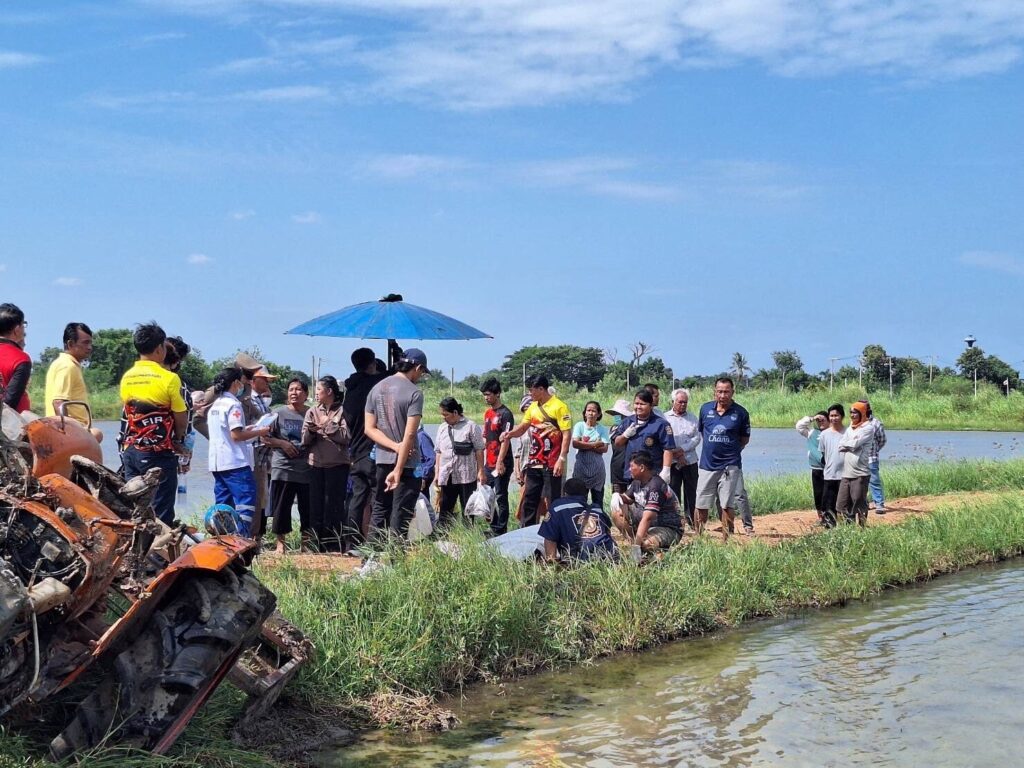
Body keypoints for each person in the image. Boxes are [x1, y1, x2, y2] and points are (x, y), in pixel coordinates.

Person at [119, 322, 188, 525]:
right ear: (159, 349)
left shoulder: (127, 378)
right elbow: (181, 416)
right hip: (158, 454)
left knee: (136, 508)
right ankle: (158, 557)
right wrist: (178, 438)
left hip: (131, 450)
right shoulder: (169, 378)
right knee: (162, 513)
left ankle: (137, 553)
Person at [365, 348, 428, 540]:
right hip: (407, 464)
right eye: (422, 372)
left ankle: (370, 558)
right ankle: (394, 560)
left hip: (382, 459)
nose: (420, 376)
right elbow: (410, 434)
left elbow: (369, 429)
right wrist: (399, 468)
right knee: (401, 513)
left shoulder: (376, 388)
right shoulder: (414, 393)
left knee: (379, 508)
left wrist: (393, 446)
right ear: (417, 367)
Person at [500, 374, 572, 527]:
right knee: (529, 500)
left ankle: (555, 534)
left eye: (532, 390)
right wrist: (510, 434)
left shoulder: (559, 406)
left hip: (552, 463)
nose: (530, 394)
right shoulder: (533, 407)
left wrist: (562, 458)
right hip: (534, 463)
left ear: (541, 389)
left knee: (553, 501)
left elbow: (566, 434)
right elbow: (523, 427)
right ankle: (528, 534)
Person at [206, 367, 271, 538]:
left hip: (218, 463)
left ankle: (222, 539)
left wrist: (248, 429)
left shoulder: (215, 404)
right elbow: (236, 435)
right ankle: (241, 538)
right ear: (235, 383)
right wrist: (259, 432)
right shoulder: (233, 404)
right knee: (246, 501)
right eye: (241, 382)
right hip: (235, 462)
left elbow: (230, 431)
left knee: (223, 504)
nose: (243, 386)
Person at [694, 377, 751, 540]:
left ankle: (726, 539)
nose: (723, 395)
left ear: (733, 392)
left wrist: (729, 451)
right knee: (701, 504)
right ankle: (699, 538)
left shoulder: (741, 413)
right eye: (719, 391)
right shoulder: (705, 409)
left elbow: (744, 440)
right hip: (707, 465)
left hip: (729, 466)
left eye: (726, 391)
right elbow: (703, 433)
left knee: (726, 504)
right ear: (714, 392)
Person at [301, 375, 351, 553]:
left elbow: (346, 437)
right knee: (315, 505)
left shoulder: (343, 411)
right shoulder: (312, 411)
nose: (315, 394)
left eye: (318, 390)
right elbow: (304, 439)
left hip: (338, 465)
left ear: (329, 391)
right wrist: (312, 432)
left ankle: (334, 544)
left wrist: (328, 425)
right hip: (315, 464)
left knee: (335, 506)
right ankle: (315, 544)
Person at [343, 347, 387, 546]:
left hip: (356, 452)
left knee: (357, 499)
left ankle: (351, 543)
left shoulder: (350, 388)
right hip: (373, 451)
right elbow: (391, 376)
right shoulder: (374, 384)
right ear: (373, 364)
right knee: (379, 497)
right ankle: (376, 541)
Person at [266, 378, 312, 553]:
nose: (294, 392)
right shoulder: (277, 413)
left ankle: (306, 544)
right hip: (282, 467)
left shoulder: (311, 413)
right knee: (281, 507)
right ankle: (280, 544)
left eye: (299, 389)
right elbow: (264, 437)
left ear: (306, 394)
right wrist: (282, 443)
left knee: (306, 508)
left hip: (307, 469)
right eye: (291, 389)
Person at [44, 322, 104, 442]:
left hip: (68, 427)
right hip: (71, 430)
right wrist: (67, 435)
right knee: (97, 434)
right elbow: (58, 402)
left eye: (90, 343)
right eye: (85, 343)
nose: (89, 347)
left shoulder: (63, 363)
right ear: (71, 344)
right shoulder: (67, 366)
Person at [613, 450, 683, 552]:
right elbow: (627, 499)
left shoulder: (656, 485)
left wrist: (638, 546)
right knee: (617, 511)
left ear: (642, 468)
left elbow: (647, 518)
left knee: (646, 544)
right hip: (648, 526)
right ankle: (635, 542)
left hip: (668, 528)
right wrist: (617, 496)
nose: (629, 470)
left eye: (632, 467)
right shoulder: (636, 483)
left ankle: (647, 549)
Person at [433, 396, 486, 527]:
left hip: (466, 476)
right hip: (447, 475)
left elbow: (479, 450)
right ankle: (443, 535)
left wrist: (481, 471)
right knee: (445, 508)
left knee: (468, 509)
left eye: (446, 415)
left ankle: (469, 536)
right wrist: (437, 473)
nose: (443, 418)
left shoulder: (471, 427)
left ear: (455, 412)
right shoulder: (442, 428)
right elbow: (438, 451)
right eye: (442, 415)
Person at [539, 478, 617, 563]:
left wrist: (552, 564)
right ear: (586, 494)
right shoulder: (597, 509)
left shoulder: (557, 507)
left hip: (581, 559)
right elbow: (608, 532)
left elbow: (549, 538)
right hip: (610, 556)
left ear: (564, 493)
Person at [614, 390, 674, 485]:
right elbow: (617, 443)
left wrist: (666, 470)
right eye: (636, 403)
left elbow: (668, 449)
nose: (638, 407)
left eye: (642, 404)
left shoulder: (661, 424)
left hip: (653, 473)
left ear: (651, 406)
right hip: (632, 473)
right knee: (632, 499)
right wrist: (625, 435)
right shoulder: (628, 422)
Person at [480, 378, 514, 536]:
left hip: (502, 462)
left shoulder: (505, 414)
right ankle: (493, 525)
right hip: (489, 462)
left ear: (498, 394)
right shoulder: (487, 413)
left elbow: (506, 440)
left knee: (501, 495)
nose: (486, 398)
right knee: (486, 494)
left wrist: (500, 462)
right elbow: (486, 437)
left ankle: (501, 529)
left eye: (488, 395)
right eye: (484, 395)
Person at [663, 388, 700, 528]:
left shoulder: (692, 418)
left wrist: (682, 450)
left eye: (685, 402)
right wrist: (675, 453)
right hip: (672, 461)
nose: (683, 404)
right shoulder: (665, 418)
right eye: (680, 402)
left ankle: (692, 522)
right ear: (673, 401)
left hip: (690, 460)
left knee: (691, 491)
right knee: (673, 491)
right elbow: (664, 438)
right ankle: (676, 522)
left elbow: (697, 437)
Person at [249, 365, 278, 539]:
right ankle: (250, 538)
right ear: (253, 381)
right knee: (253, 498)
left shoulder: (260, 400)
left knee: (261, 499)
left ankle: (256, 538)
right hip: (251, 456)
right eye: (264, 378)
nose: (267, 382)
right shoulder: (248, 401)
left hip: (262, 458)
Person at [836, 400, 875, 527]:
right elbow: (841, 444)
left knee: (859, 501)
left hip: (860, 472)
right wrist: (850, 445)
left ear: (862, 413)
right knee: (842, 504)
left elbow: (854, 444)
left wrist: (850, 445)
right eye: (851, 413)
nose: (852, 416)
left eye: (855, 413)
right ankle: (849, 527)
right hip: (847, 472)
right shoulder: (850, 428)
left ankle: (862, 527)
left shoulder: (868, 427)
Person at [570, 400, 609, 507]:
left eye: (594, 411)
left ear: (599, 414)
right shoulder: (579, 426)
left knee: (597, 502)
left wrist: (585, 444)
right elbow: (575, 443)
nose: (591, 413)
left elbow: (605, 448)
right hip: (581, 468)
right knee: (579, 500)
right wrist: (595, 444)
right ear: (585, 413)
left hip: (597, 470)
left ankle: (598, 522)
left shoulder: (602, 429)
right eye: (588, 410)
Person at [795, 410, 829, 524]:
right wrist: (812, 418)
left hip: (829, 469)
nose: (821, 423)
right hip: (816, 468)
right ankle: (821, 517)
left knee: (828, 493)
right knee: (818, 493)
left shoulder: (832, 433)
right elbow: (799, 426)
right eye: (819, 421)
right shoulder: (812, 433)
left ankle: (829, 516)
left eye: (823, 420)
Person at [818, 403, 846, 528]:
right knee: (828, 504)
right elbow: (824, 453)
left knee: (845, 505)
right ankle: (829, 527)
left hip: (846, 474)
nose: (834, 418)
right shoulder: (824, 434)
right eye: (831, 416)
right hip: (829, 474)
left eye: (836, 415)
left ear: (842, 416)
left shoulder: (848, 432)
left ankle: (847, 527)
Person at [0, 303, 31, 413]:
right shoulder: (21, 358)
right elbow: (10, 402)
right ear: (17, 329)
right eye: (23, 324)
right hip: (12, 426)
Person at [864, 400, 888, 514]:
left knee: (874, 480)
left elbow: (882, 440)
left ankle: (879, 503)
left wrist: (875, 450)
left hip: (871, 458)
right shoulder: (855, 423)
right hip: (858, 459)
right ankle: (863, 503)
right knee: (860, 482)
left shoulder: (875, 423)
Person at [605, 399, 633, 494]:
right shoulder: (614, 428)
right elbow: (616, 440)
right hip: (617, 469)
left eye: (619, 414)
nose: (616, 417)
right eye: (614, 414)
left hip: (631, 469)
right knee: (617, 500)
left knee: (632, 500)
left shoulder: (634, 428)